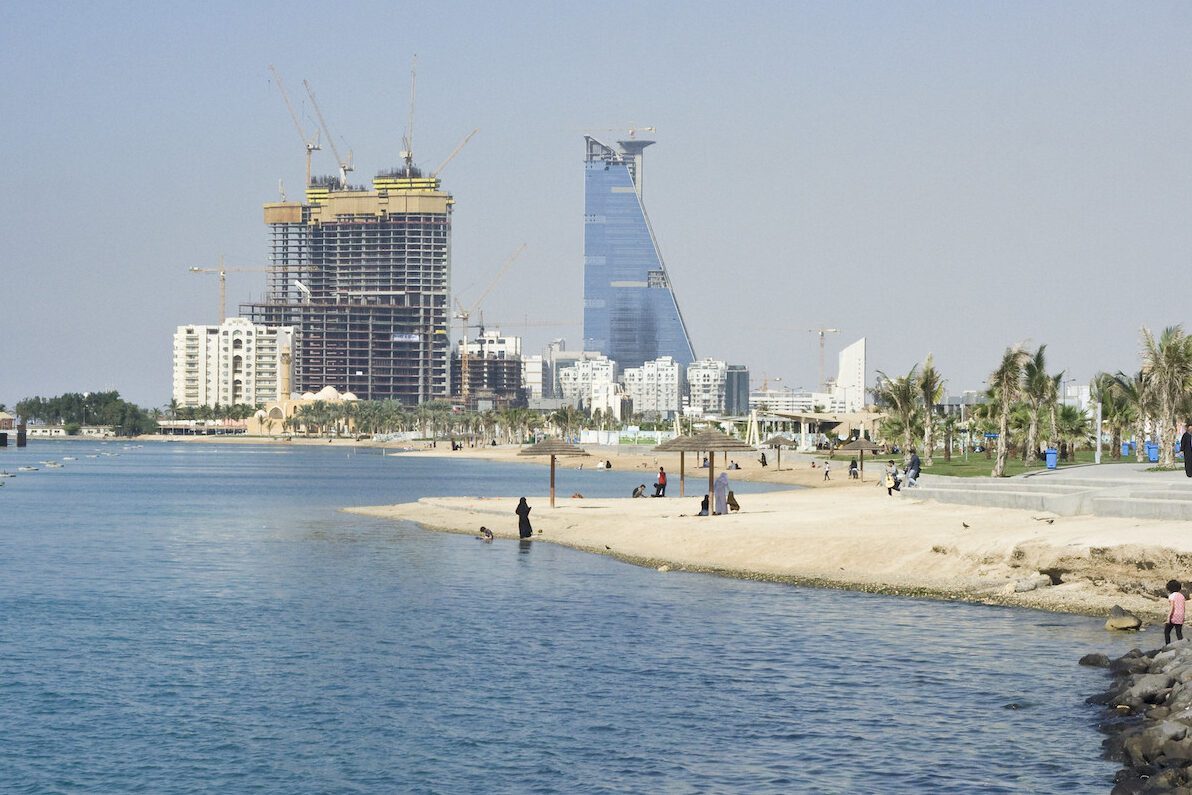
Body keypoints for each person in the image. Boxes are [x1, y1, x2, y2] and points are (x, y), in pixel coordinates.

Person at [1167, 579, 1186, 645]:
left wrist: (1168, 617)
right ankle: (1182, 644)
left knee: (1167, 631)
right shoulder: (1182, 596)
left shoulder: (1172, 596)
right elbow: (1183, 607)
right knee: (1178, 632)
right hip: (1181, 615)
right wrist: (1183, 616)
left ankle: (1168, 645)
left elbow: (1172, 607)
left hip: (1174, 616)